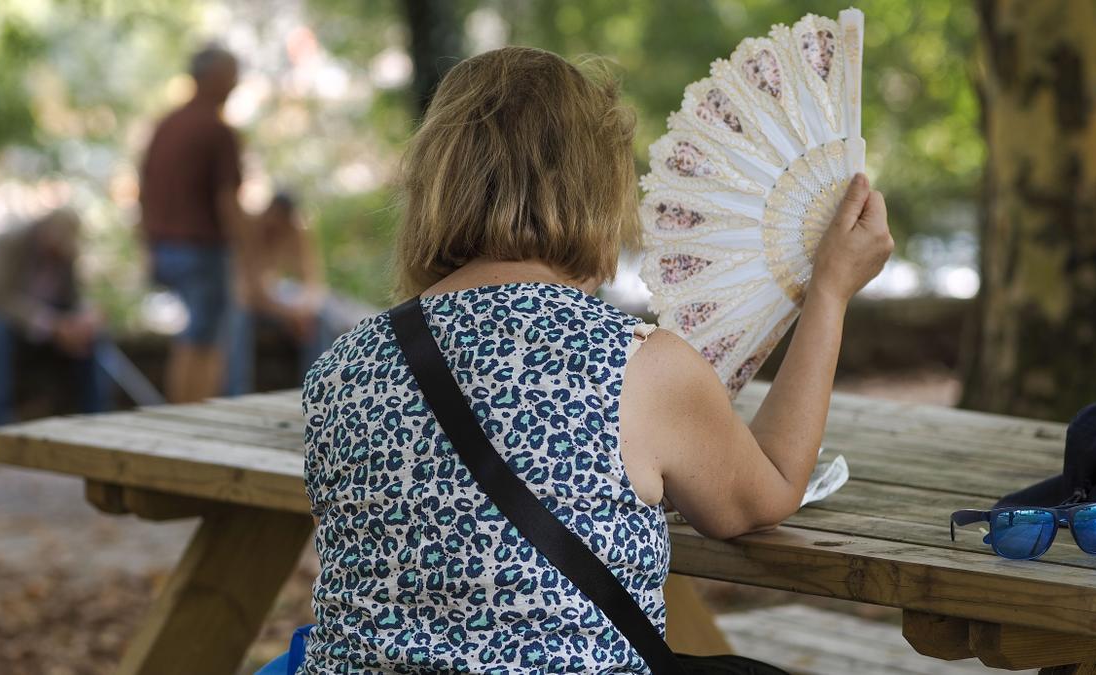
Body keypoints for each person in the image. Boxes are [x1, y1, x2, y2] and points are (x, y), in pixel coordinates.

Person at [292, 47, 891, 672]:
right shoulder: (637, 366)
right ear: (599, 188)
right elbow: (763, 494)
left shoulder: (342, 367)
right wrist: (829, 291)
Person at [139, 44, 246, 403]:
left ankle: (186, 411)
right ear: (213, 77)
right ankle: (192, 414)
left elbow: (143, 190)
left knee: (197, 333)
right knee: (204, 339)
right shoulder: (217, 130)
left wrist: (147, 246)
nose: (236, 83)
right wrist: (248, 250)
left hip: (164, 248)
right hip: (202, 250)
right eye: (232, 74)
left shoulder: (165, 125)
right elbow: (227, 200)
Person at [0, 209, 108, 427]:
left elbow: (74, 297)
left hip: (38, 321)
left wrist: (84, 318)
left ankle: (95, 415)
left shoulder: (65, 256)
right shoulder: (10, 242)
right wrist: (53, 325)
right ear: (45, 233)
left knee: (90, 335)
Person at [225, 191, 328, 395]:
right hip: (246, 302)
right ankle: (236, 393)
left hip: (273, 298)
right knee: (237, 319)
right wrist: (289, 314)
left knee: (318, 319)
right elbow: (249, 294)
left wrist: (303, 310)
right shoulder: (249, 230)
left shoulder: (295, 233)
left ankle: (316, 390)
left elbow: (313, 283)